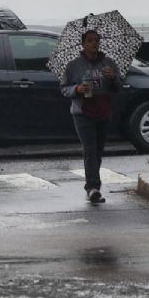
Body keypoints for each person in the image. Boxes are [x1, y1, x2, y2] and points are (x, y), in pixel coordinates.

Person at [60, 30, 123, 204]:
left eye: (96, 40)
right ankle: (93, 187)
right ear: (83, 44)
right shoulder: (74, 66)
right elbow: (64, 88)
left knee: (98, 150)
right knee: (90, 150)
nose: (94, 43)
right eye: (89, 40)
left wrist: (113, 77)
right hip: (83, 112)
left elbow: (120, 86)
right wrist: (77, 89)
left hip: (103, 111)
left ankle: (93, 183)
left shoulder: (108, 62)